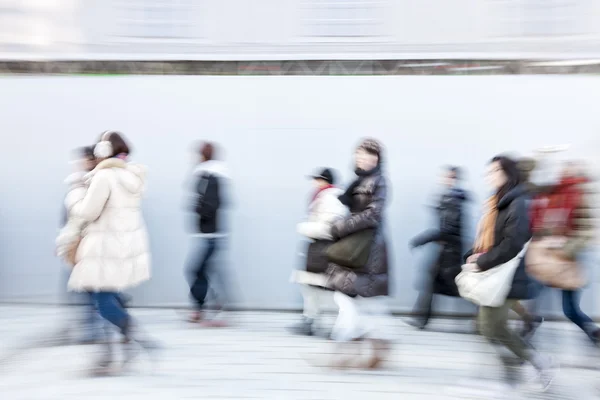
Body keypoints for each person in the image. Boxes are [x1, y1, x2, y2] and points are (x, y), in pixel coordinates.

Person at [56, 130, 156, 374]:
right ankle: (114, 350)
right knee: (105, 296)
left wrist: (76, 193)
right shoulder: (130, 176)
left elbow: (87, 212)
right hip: (122, 246)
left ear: (103, 152)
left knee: (101, 300)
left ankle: (134, 337)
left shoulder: (104, 177)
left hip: (103, 247)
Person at [466, 155, 555, 390]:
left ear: (508, 172)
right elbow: (490, 237)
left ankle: (531, 363)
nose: (490, 176)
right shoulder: (498, 200)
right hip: (497, 271)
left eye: (495, 171)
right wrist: (473, 254)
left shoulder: (517, 201)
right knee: (490, 327)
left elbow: (513, 242)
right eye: (489, 172)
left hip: (508, 273)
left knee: (489, 326)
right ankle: (525, 364)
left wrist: (483, 260)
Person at [325, 138, 392, 369]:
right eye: (360, 154)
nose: (363, 159)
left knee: (352, 299)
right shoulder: (358, 181)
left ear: (377, 159)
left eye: (369, 155)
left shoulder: (379, 181)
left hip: (367, 250)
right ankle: (377, 346)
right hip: (357, 246)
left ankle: (345, 348)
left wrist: (342, 226)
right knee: (359, 301)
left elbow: (373, 215)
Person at [525, 160, 599, 343]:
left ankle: (593, 330)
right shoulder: (553, 191)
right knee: (534, 293)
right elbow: (530, 186)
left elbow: (587, 230)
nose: (565, 172)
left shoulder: (580, 195)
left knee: (569, 309)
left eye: (570, 170)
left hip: (567, 258)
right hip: (546, 255)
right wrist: (540, 159)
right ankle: (528, 325)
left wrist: (567, 250)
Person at [406, 166, 468, 329]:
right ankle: (421, 319)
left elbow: (447, 229)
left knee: (462, 288)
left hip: (450, 253)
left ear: (454, 179)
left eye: (449, 177)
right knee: (433, 284)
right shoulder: (449, 198)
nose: (445, 180)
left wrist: (422, 239)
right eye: (445, 177)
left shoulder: (452, 200)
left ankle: (487, 314)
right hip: (447, 251)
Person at [288, 168, 348, 336]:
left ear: (325, 181)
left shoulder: (332, 199)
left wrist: (304, 228)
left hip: (326, 248)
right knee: (310, 286)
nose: (314, 182)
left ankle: (338, 323)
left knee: (325, 287)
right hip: (318, 248)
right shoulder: (323, 196)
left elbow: (331, 228)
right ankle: (310, 319)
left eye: (317, 179)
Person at [186, 141, 230, 326]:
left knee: (197, 270)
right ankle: (204, 308)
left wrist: (198, 210)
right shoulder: (210, 176)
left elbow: (211, 204)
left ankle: (211, 309)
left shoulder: (210, 177)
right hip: (209, 234)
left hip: (210, 234)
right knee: (204, 271)